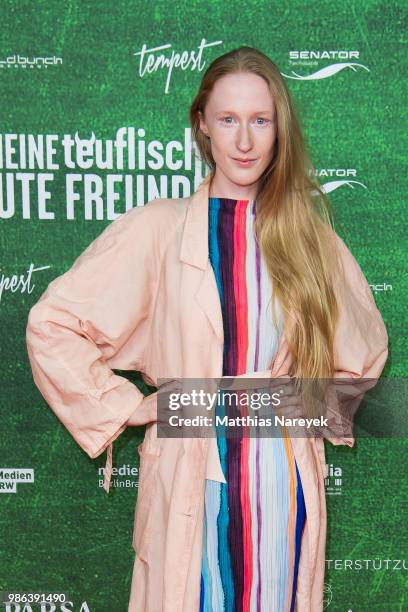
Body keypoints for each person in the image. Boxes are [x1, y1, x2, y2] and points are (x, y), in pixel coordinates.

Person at [26, 47, 388, 611]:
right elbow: (52, 324)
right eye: (228, 119)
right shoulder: (158, 231)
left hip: (281, 489)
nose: (244, 141)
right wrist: (129, 406)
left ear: (279, 129)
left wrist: (302, 404)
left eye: (260, 120)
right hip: (191, 481)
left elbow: (362, 357)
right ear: (202, 126)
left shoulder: (309, 239)